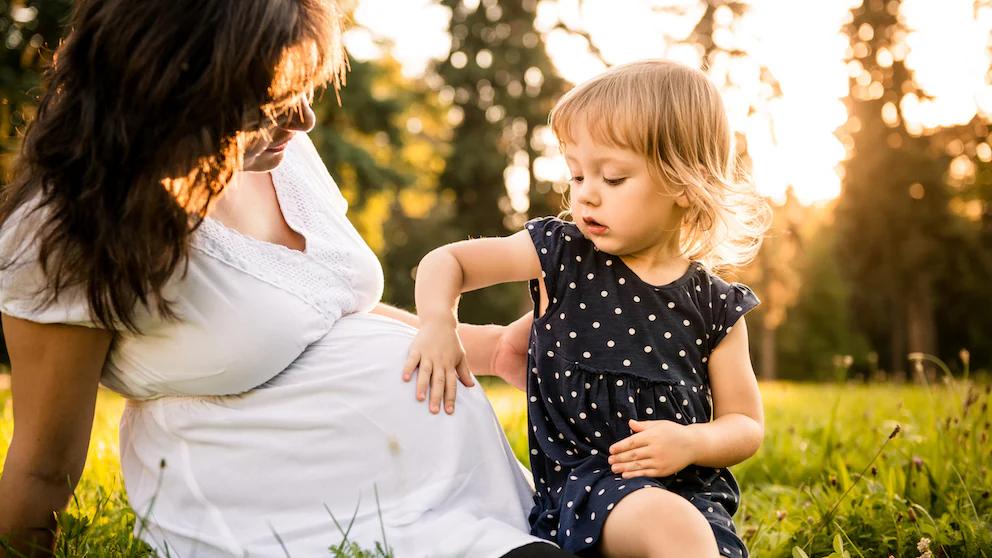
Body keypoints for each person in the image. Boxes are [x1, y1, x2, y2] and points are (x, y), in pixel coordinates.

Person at [0, 1, 579, 557]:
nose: (302, 119)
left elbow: (321, 308)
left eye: (300, 89)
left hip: (458, 493)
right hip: (287, 518)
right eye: (270, 101)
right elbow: (43, 464)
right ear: (174, 91)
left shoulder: (277, 149)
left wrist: (488, 347)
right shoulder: (63, 234)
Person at [406, 60, 771, 558]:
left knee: (690, 533)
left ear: (686, 184)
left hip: (694, 500)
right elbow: (447, 261)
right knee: (672, 529)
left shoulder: (715, 307)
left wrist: (690, 443)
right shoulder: (562, 254)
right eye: (577, 174)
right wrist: (437, 323)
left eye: (614, 177)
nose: (586, 194)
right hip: (586, 493)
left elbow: (745, 425)